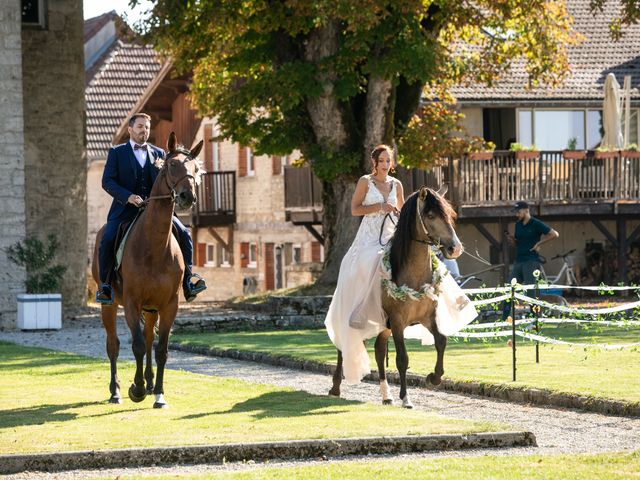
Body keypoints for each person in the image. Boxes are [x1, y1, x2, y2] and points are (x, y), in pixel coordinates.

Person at [96, 113, 206, 304]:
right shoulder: (117, 152)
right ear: (130, 129)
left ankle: (188, 280)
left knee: (184, 233)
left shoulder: (160, 154)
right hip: (125, 210)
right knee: (107, 238)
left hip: (154, 211)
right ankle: (106, 285)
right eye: (140, 127)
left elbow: (167, 180)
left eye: (147, 127)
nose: (144, 130)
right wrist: (128, 197)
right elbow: (107, 182)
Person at [324, 144, 405, 384]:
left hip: (390, 235)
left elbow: (401, 211)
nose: (385, 163)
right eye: (381, 160)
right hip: (368, 238)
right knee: (373, 261)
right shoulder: (364, 182)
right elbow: (355, 209)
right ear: (374, 162)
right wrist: (379, 207)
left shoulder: (396, 185)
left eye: (388, 159)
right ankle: (364, 312)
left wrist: (399, 216)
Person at [503, 200, 559, 318]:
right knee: (509, 288)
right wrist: (512, 240)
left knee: (531, 292)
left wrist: (539, 243)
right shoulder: (518, 224)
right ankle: (504, 317)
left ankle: (535, 318)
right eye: (515, 212)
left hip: (531, 261)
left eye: (518, 212)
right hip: (519, 260)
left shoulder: (536, 223)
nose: (516, 214)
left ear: (526, 210)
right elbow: (517, 243)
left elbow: (554, 234)